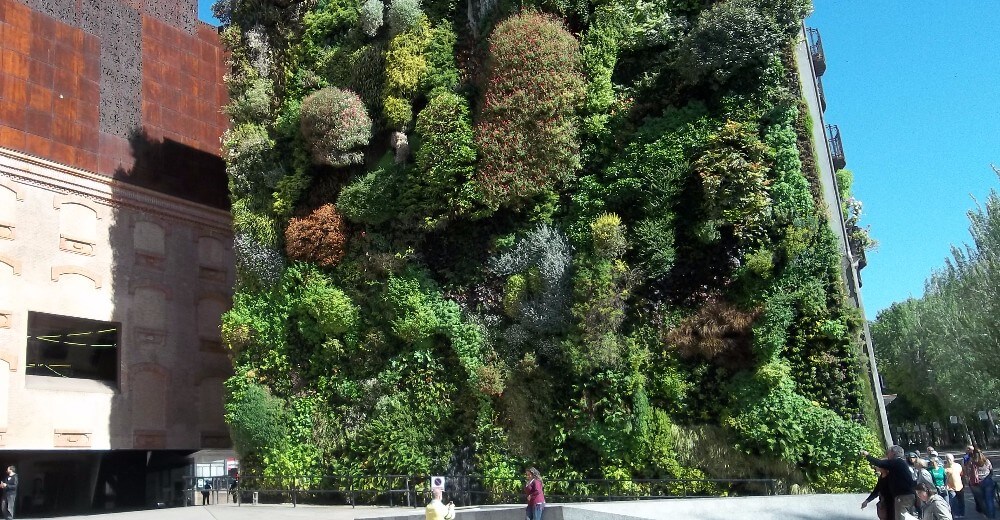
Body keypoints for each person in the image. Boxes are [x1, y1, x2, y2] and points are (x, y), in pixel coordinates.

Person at [864, 446, 917, 520]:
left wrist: (867, 455)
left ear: (893, 453)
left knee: (901, 517)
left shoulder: (897, 462)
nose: (887, 455)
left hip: (902, 496)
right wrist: (867, 500)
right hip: (899, 497)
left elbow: (879, 463)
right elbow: (877, 489)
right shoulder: (896, 466)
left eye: (888, 453)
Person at [967, 449, 995, 519]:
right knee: (989, 500)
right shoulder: (986, 461)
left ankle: (986, 515)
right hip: (987, 482)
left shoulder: (971, 462)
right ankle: (992, 516)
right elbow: (991, 471)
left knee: (981, 500)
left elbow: (968, 472)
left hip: (976, 484)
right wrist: (988, 477)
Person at [944, 453, 965, 518]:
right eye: (947, 459)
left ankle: (962, 514)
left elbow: (962, 474)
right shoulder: (944, 468)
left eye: (950, 459)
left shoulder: (958, 465)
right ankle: (955, 514)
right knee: (954, 501)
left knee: (961, 501)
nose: (948, 460)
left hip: (959, 486)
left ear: (953, 459)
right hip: (950, 487)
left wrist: (964, 483)